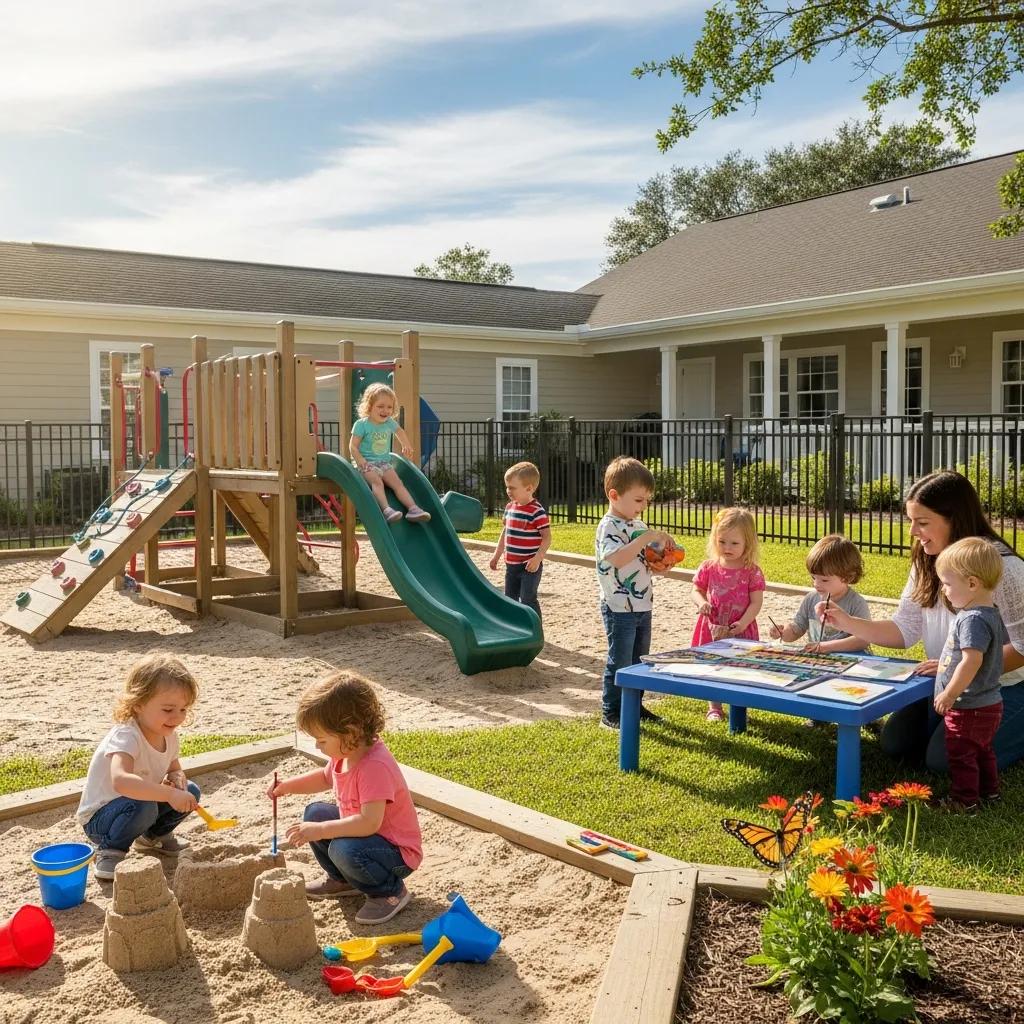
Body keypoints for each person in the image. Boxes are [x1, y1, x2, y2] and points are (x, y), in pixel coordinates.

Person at [821, 470, 1024, 771]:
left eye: (923, 522)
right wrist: (847, 622)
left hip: (1001, 688)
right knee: (895, 743)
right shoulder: (929, 560)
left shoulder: (1003, 568)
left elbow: (1022, 646)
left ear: (954, 519)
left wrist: (953, 667)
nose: (913, 531)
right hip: (946, 684)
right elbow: (904, 630)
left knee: (945, 763)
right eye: (910, 521)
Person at [270, 670, 422, 925]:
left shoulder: (374, 767)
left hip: (395, 854)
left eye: (321, 740)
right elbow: (325, 778)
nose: (318, 747)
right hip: (367, 841)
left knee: (339, 844)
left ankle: (390, 893)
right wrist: (287, 787)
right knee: (315, 813)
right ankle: (342, 879)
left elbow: (368, 823)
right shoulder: (345, 755)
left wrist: (320, 831)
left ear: (350, 732)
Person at [78, 654, 201, 881]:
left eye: (183, 709)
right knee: (145, 805)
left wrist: (177, 779)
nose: (177, 717)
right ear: (138, 704)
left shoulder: (169, 735)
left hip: (138, 808)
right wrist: (168, 793)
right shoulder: (127, 735)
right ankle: (110, 850)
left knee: (191, 790)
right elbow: (121, 781)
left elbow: (174, 767)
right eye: (168, 710)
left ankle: (151, 838)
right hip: (101, 818)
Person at [595, 456, 674, 730]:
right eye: (639, 500)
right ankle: (612, 712)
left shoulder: (638, 526)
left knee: (640, 660)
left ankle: (635, 706)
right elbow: (616, 558)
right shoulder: (609, 527)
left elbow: (646, 562)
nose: (644, 506)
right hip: (619, 607)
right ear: (614, 495)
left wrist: (662, 561)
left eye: (647, 500)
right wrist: (643, 539)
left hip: (642, 603)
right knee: (620, 659)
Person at [931, 538, 1005, 811]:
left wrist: (950, 693)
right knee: (983, 750)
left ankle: (964, 801)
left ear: (972, 584)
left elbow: (972, 660)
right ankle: (989, 792)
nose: (944, 589)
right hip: (989, 703)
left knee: (961, 752)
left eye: (948, 584)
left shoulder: (972, 618)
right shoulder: (990, 613)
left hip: (970, 705)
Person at [691, 507, 766, 722]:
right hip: (712, 628)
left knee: (738, 668)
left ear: (747, 543)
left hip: (740, 628)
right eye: (722, 541)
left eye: (734, 543)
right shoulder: (709, 567)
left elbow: (756, 603)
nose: (727, 547)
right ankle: (714, 707)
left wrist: (743, 623)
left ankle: (738, 708)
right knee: (713, 666)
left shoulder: (752, 571)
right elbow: (696, 590)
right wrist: (702, 602)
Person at [769, 534, 871, 653]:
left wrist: (826, 647)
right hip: (821, 662)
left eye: (824, 580)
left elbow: (863, 639)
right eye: (813, 578)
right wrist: (783, 632)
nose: (816, 584)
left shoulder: (856, 603)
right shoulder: (811, 598)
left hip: (854, 662)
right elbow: (798, 628)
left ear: (847, 577)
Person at [349, 382, 430, 523]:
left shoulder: (389, 423)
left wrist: (406, 444)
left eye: (389, 407)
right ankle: (387, 510)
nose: (385, 410)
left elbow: (399, 431)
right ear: (369, 406)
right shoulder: (362, 424)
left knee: (398, 483)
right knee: (377, 482)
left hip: (384, 462)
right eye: (380, 406)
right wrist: (362, 462)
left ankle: (413, 509)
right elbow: (353, 446)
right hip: (365, 463)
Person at [489, 461, 551, 622]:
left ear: (529, 488)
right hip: (511, 565)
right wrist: (496, 555)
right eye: (507, 487)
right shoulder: (510, 507)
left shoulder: (537, 511)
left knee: (528, 598)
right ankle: (514, 627)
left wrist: (537, 558)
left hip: (529, 566)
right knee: (510, 599)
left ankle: (535, 629)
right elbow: (506, 532)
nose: (508, 491)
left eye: (512, 487)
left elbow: (547, 537)